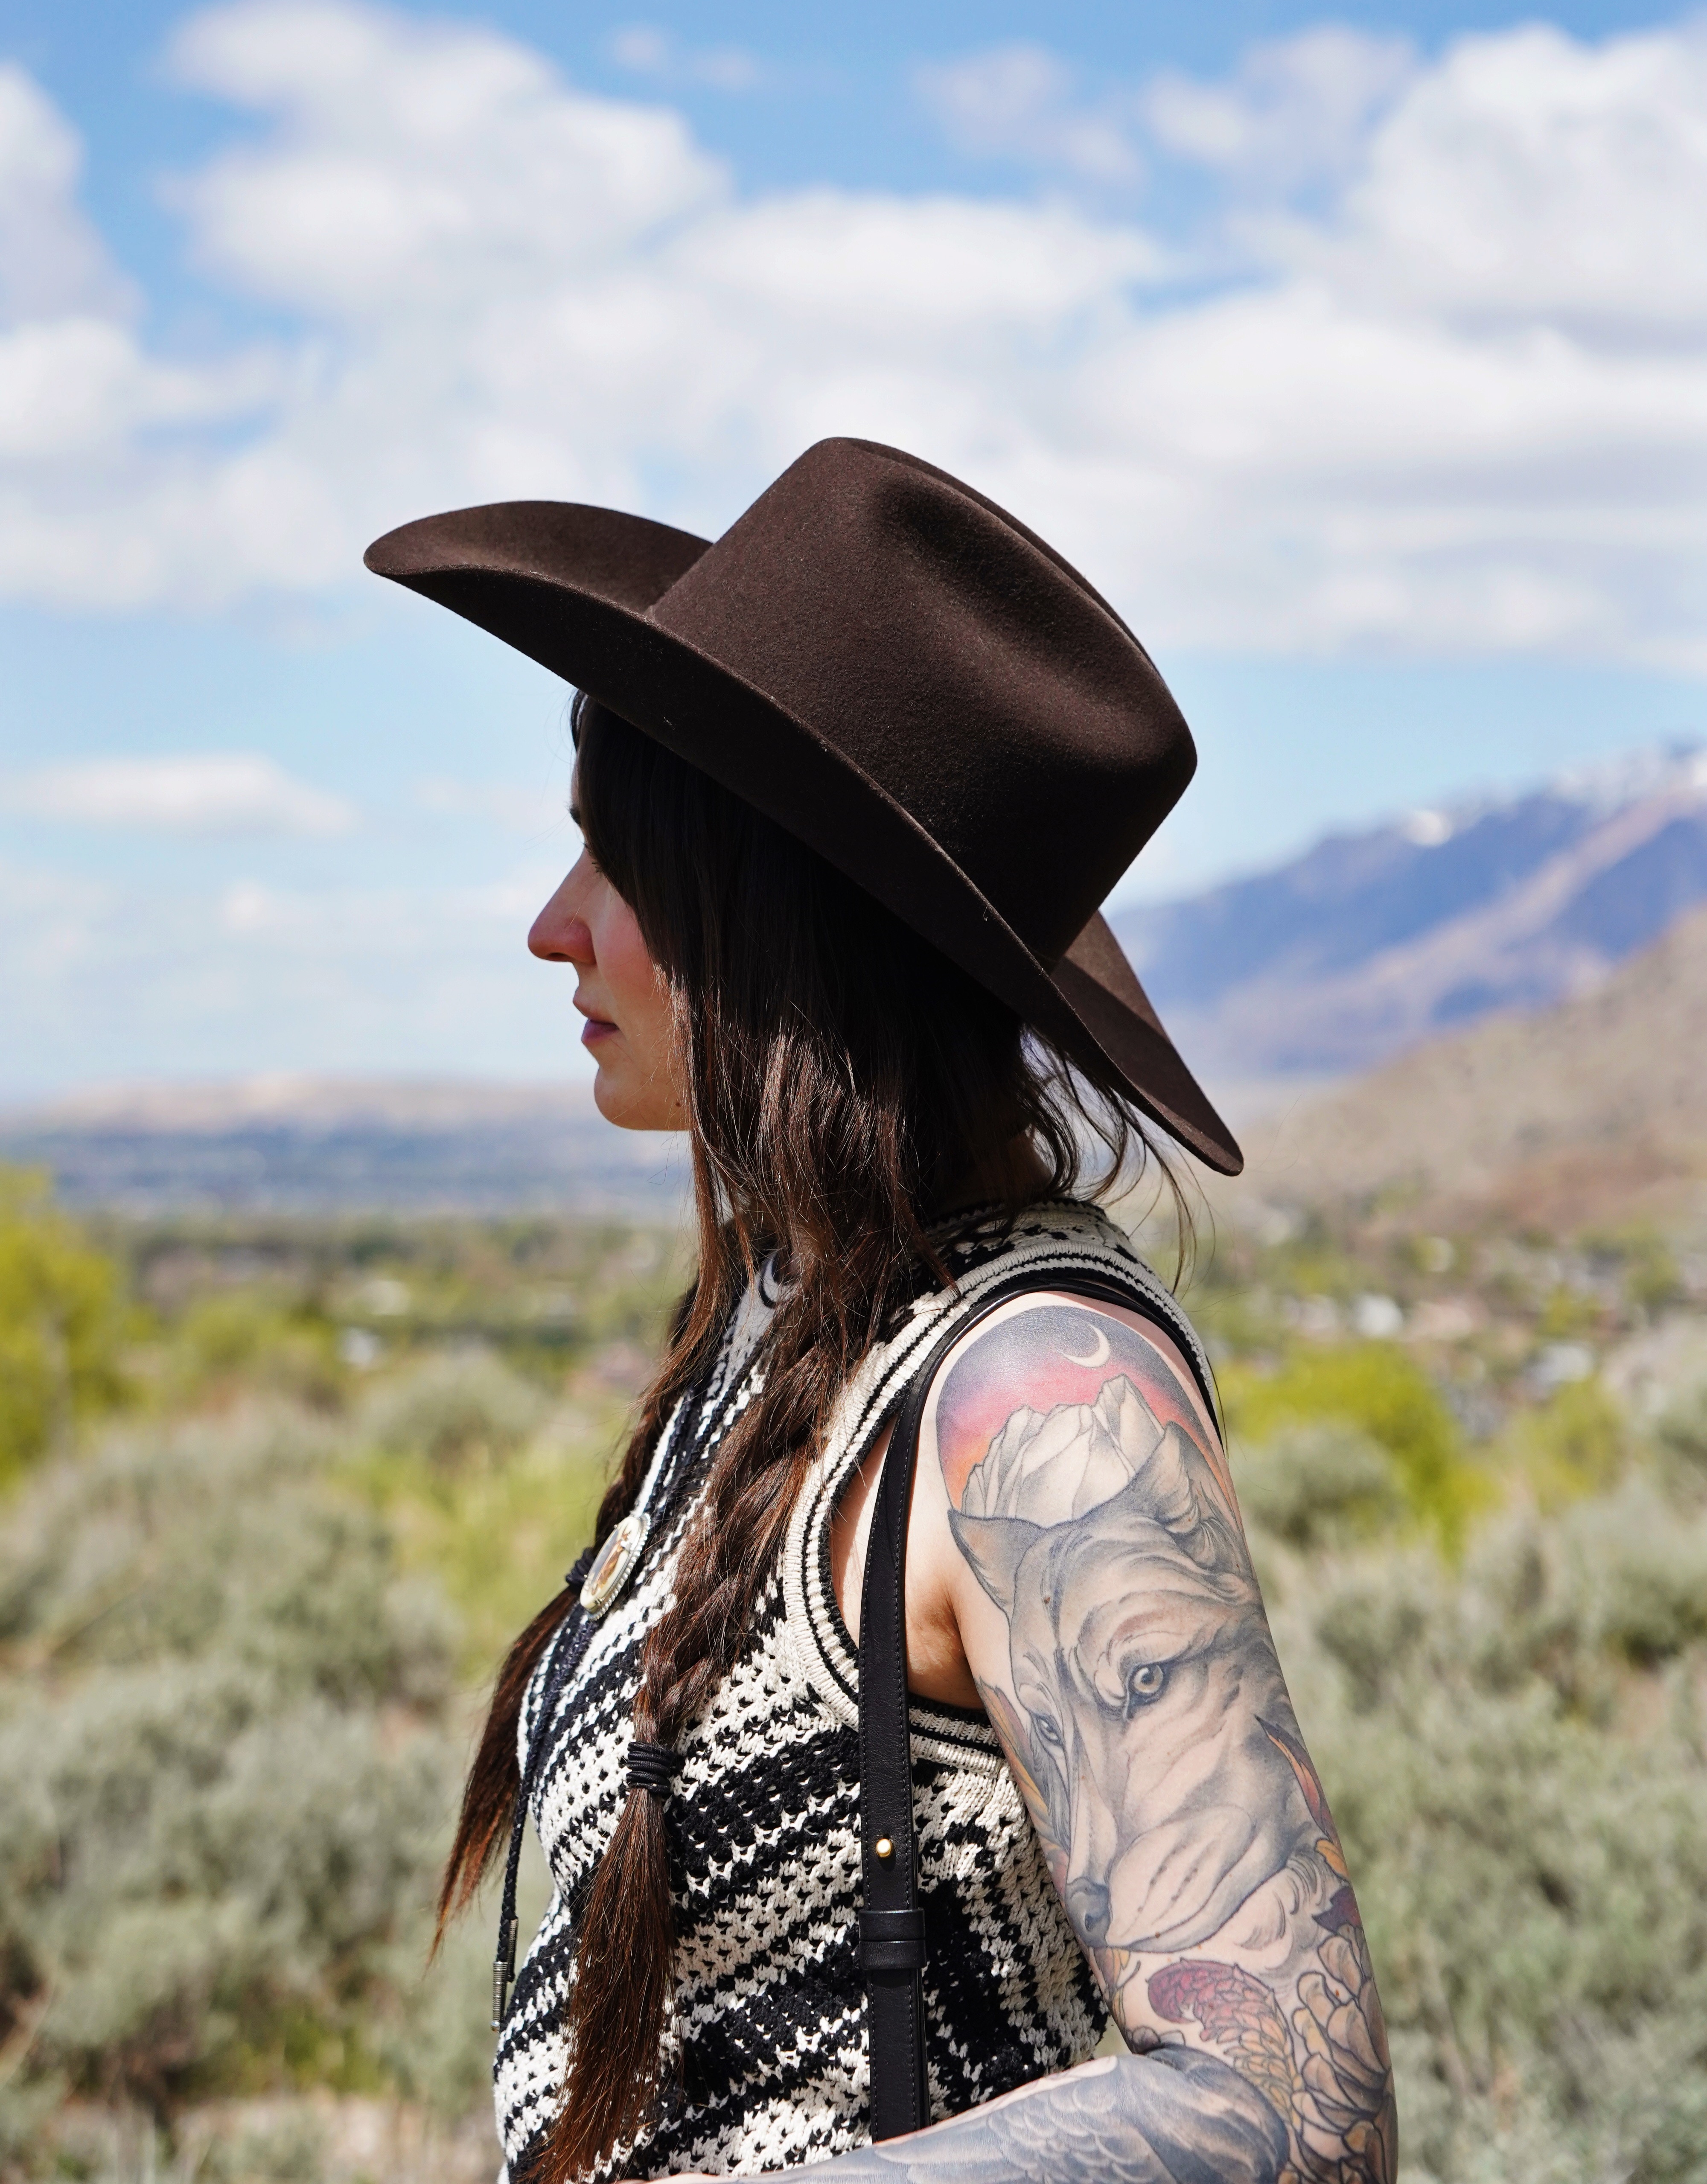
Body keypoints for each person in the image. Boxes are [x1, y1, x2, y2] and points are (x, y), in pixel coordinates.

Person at [365, 437, 1395, 2184]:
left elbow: (1295, 2114)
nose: (553, 930)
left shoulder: (1044, 1396)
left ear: (775, 919)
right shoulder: (792, 1325)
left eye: (614, 863)